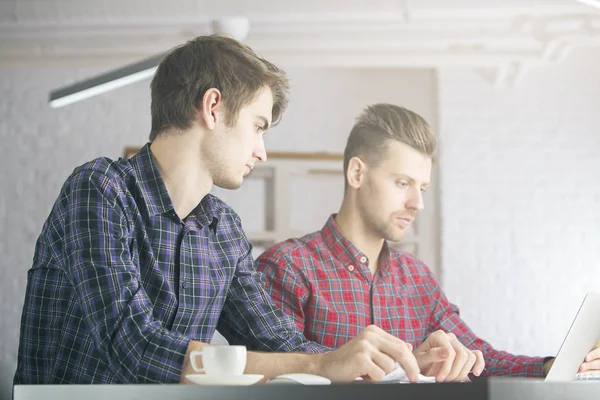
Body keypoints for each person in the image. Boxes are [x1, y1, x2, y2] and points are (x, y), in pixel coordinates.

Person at [13, 36, 440, 385]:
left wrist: (389, 368)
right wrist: (316, 365)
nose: (263, 151)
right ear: (213, 107)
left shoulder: (223, 230)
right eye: (258, 126)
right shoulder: (100, 190)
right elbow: (136, 348)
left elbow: (277, 341)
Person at [255, 103, 600, 381]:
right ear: (357, 173)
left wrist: (550, 366)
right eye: (403, 183)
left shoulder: (416, 277)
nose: (417, 203)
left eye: (421, 188)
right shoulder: (288, 265)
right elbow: (276, 368)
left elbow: (480, 356)